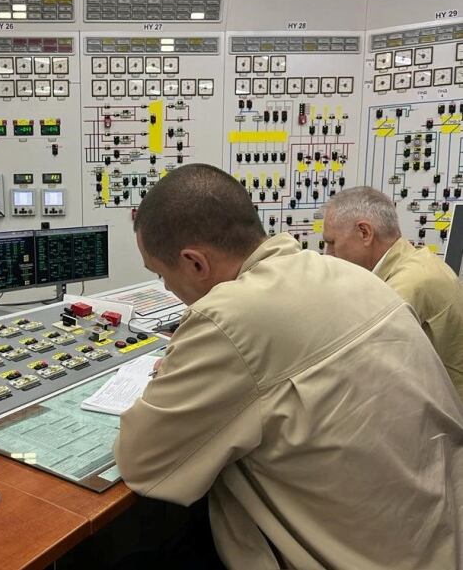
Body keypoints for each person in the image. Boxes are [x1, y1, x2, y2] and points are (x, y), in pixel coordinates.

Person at [114, 163, 463, 569]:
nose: (168, 289)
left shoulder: (227, 317)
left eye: (161, 274)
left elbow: (142, 462)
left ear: (195, 263)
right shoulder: (350, 275)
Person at [322, 186, 463, 398]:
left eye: (332, 243)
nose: (328, 255)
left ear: (365, 233)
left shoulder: (406, 286)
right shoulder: (417, 262)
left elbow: (359, 367)